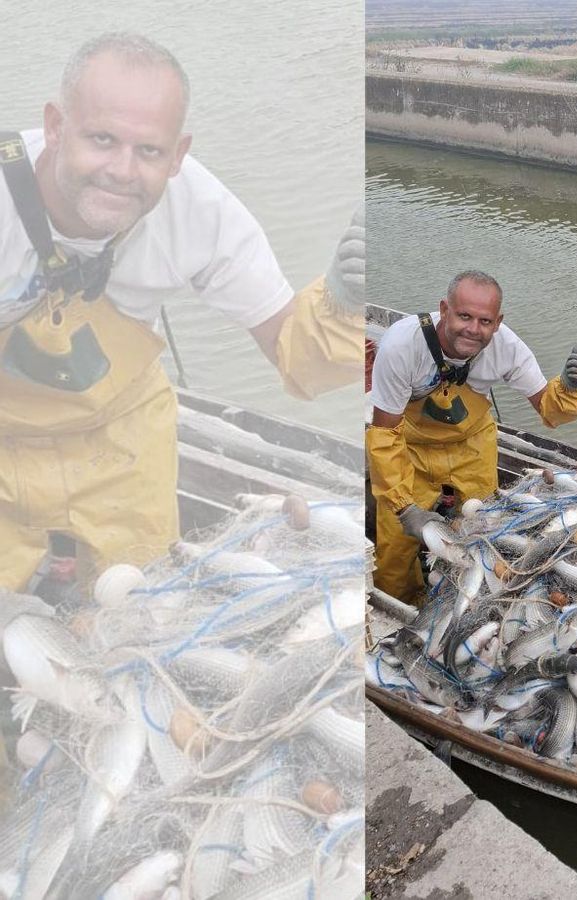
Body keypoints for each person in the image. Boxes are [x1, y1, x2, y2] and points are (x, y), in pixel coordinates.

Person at [0, 33, 363, 594]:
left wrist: (342, 296)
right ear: (54, 126)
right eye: (101, 139)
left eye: (149, 150)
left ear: (178, 153)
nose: (122, 170)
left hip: (120, 453)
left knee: (137, 615)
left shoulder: (200, 212)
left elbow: (298, 356)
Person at [367, 270, 577, 604]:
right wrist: (402, 506)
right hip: (410, 449)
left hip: (471, 448)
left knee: (484, 532)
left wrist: (570, 389)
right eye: (464, 316)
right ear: (444, 310)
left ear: (498, 322)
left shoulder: (507, 347)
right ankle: (403, 607)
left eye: (485, 321)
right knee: (395, 548)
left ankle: (465, 601)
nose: (473, 329)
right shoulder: (402, 345)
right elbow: (385, 434)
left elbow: (548, 409)